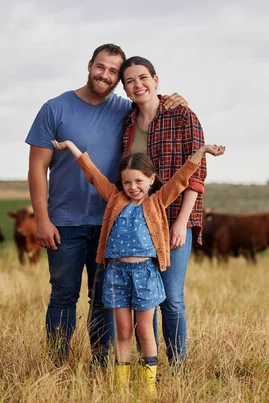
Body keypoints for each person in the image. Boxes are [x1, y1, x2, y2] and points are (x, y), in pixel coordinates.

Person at [25, 43, 187, 367]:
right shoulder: (54, 108)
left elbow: (149, 101)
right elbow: (36, 169)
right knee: (63, 296)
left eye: (114, 71)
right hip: (64, 222)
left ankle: (100, 366)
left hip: (110, 223)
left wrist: (174, 99)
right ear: (89, 66)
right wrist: (41, 219)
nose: (106, 75)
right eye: (101, 67)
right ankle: (58, 366)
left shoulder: (122, 109)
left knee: (103, 301)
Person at [51, 138, 225, 394]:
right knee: (122, 330)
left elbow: (180, 179)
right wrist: (72, 148)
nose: (133, 187)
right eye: (127, 182)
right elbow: (92, 174)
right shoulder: (114, 199)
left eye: (139, 181)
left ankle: (149, 387)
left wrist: (201, 152)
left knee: (144, 329)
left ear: (151, 180)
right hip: (116, 274)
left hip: (145, 274)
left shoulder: (156, 203)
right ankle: (121, 387)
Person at [119, 56, 207, 366]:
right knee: (145, 300)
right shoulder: (128, 123)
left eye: (143, 77)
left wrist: (181, 223)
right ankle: (150, 364)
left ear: (156, 80)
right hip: (139, 225)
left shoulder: (183, 116)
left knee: (171, 298)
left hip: (174, 221)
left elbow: (196, 176)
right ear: (125, 89)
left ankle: (178, 365)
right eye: (129, 81)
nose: (137, 84)